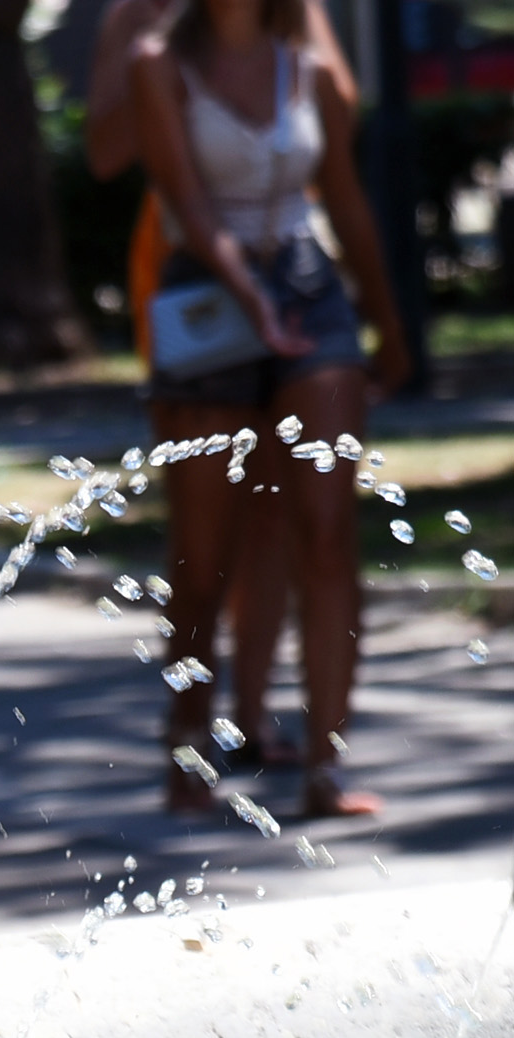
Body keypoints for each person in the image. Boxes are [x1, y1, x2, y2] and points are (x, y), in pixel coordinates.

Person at [128, 0, 408, 819]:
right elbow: (188, 204)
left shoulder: (308, 71)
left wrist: (387, 327)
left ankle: (324, 765)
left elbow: (343, 200)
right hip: (205, 298)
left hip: (308, 290)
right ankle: (188, 743)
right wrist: (249, 298)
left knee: (324, 529)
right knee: (202, 555)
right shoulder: (158, 66)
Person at [88, 0, 345, 779]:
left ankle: (253, 720)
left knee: (276, 511)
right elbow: (105, 154)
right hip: (191, 283)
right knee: (207, 529)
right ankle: (189, 726)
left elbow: (338, 109)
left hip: (290, 268)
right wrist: (164, 45)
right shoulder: (136, 22)